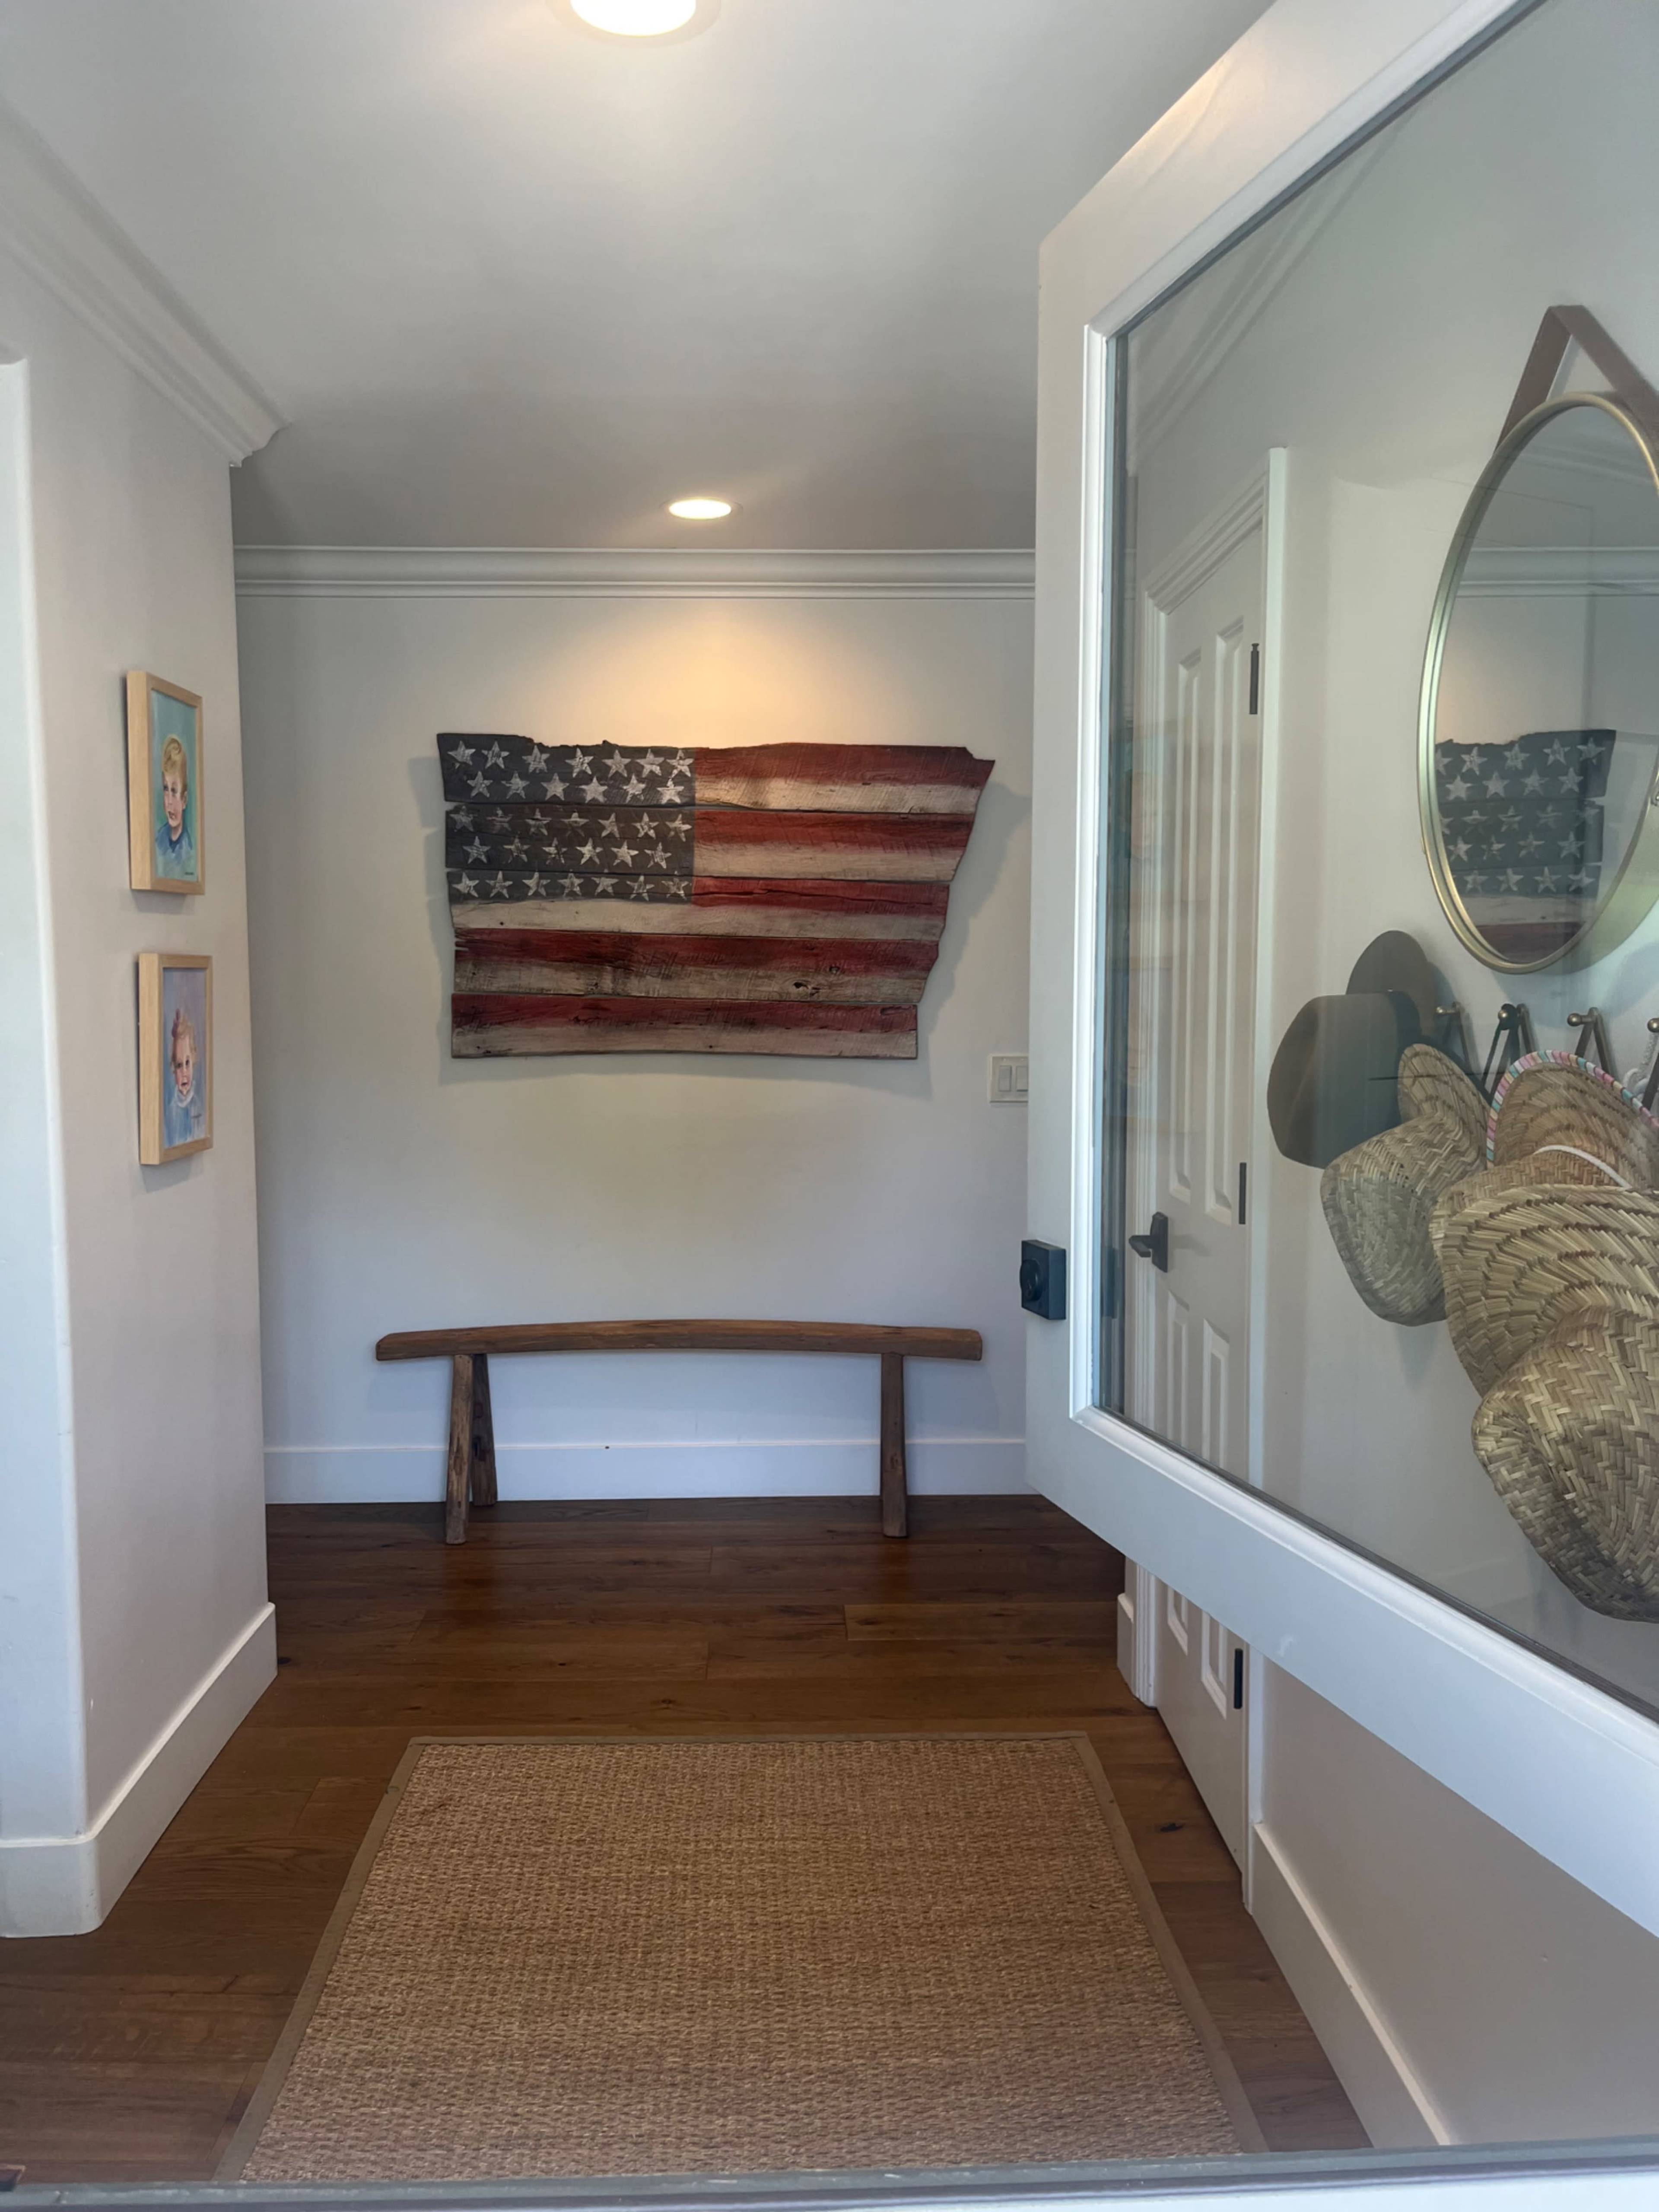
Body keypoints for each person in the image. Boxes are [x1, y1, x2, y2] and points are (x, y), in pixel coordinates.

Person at [163, 1001, 206, 1148]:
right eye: (179, 1066)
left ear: (194, 1060)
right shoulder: (170, 1111)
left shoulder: (198, 1106)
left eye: (188, 1063)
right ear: (173, 1069)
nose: (184, 1073)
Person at [154, 733, 197, 880]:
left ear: (184, 800)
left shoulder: (188, 851)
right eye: (166, 789)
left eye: (174, 791)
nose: (170, 802)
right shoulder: (159, 840)